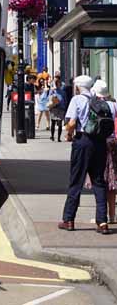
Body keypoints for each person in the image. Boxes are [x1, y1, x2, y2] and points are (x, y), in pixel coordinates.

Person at [59, 75, 117, 234]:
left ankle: (69, 219)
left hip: (82, 142)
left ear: (77, 87)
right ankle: (102, 222)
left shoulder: (77, 99)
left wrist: (68, 134)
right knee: (99, 181)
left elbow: (71, 123)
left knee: (76, 180)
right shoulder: (101, 102)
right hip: (99, 143)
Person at [84, 80, 117, 224]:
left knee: (100, 180)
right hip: (114, 144)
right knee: (112, 182)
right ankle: (112, 216)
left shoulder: (94, 104)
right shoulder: (114, 105)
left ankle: (100, 216)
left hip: (100, 144)